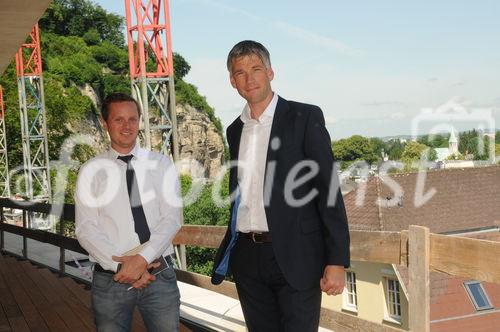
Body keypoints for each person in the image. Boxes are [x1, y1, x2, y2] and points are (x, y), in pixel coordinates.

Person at [211, 40, 350, 332]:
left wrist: (337, 260)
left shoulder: (305, 117)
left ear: (271, 72)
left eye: (256, 69)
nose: (249, 78)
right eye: (240, 72)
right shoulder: (235, 130)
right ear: (232, 81)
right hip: (248, 258)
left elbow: (328, 190)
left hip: (297, 256)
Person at [75, 93, 181, 331]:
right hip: (111, 278)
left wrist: (142, 260)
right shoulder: (90, 171)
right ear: (106, 124)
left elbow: (172, 218)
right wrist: (124, 268)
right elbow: (86, 228)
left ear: (139, 121)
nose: (127, 126)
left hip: (158, 274)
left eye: (133, 119)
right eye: (119, 119)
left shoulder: (161, 163)